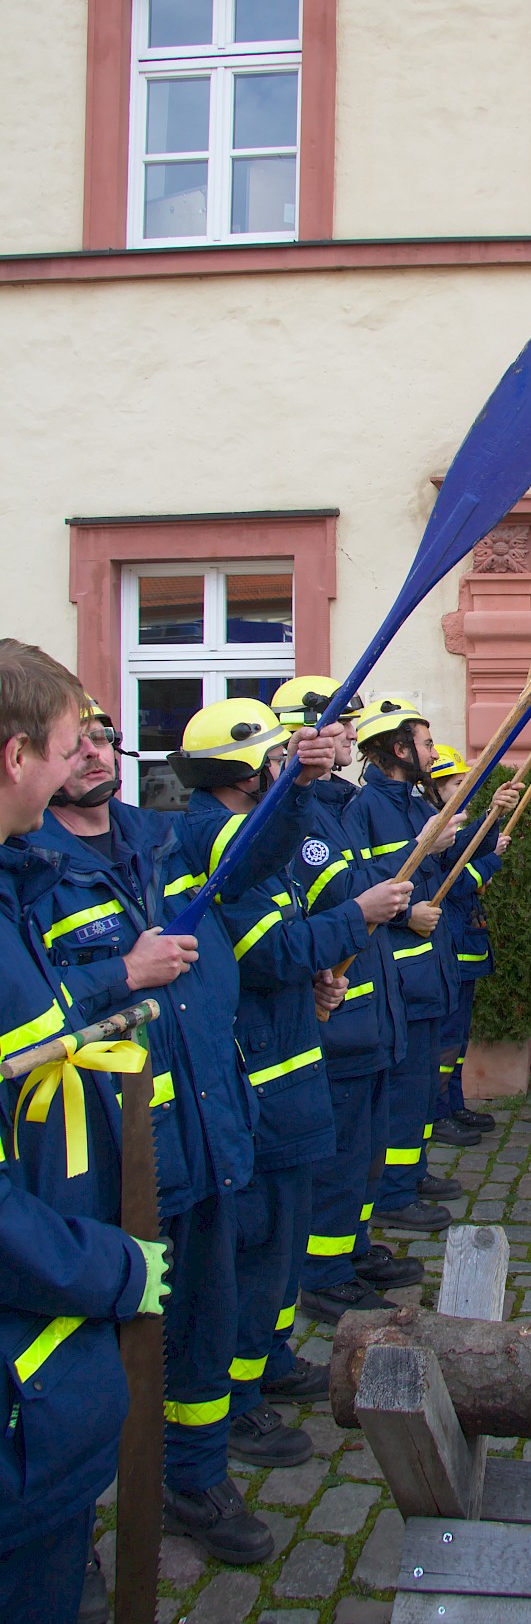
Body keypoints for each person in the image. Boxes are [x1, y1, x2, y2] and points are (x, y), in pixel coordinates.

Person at [29, 694, 336, 1565]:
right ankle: (72, 1529)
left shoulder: (160, 835)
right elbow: (33, 1016)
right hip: (117, 1157)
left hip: (210, 1130)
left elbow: (250, 857)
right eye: (76, 741)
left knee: (203, 1324)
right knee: (92, 1355)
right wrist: (122, 973)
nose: (95, 752)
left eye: (103, 737)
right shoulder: (29, 866)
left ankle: (193, 1479)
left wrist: (302, 785)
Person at [179, 697, 416, 1464]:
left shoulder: (253, 840)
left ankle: (266, 1364)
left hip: (291, 1074)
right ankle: (233, 1402)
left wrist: (315, 979)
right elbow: (266, 950)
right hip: (257, 1089)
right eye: (278, 758)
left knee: (278, 1247)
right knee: (248, 1255)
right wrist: (358, 917)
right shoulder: (219, 847)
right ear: (244, 769)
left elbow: (284, 951)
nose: (288, 768)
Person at [0, 642, 169, 1624]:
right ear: (18, 754)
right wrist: (112, 1267)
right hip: (24, 1394)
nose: (80, 765)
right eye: (69, 745)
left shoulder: (15, 889)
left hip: (48, 1385)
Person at [269, 679, 424, 1327]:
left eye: (352, 727)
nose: (350, 738)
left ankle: (351, 1251)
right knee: (336, 1156)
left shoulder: (340, 803)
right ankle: (324, 1272)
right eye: (339, 727)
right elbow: (348, 891)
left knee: (362, 1150)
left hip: (371, 1006)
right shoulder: (304, 813)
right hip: (341, 1016)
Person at [345, 702, 518, 1234]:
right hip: (401, 974)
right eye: (423, 743)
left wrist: (491, 817)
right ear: (399, 750)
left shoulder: (415, 805)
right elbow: (356, 892)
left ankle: (412, 1175)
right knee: (402, 1091)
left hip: (431, 970)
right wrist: (406, 912)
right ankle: (393, 1194)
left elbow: (447, 863)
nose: (430, 751)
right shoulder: (364, 809)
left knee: (420, 1087)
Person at [428, 745, 506, 1145]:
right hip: (449, 945)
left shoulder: (452, 828)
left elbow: (470, 852)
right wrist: (491, 861)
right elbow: (452, 884)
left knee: (459, 1037)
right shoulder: (431, 830)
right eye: (457, 784)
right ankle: (438, 1114)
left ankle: (454, 1102)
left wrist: (493, 819)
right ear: (436, 788)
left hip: (466, 944)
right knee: (444, 1037)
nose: (464, 790)